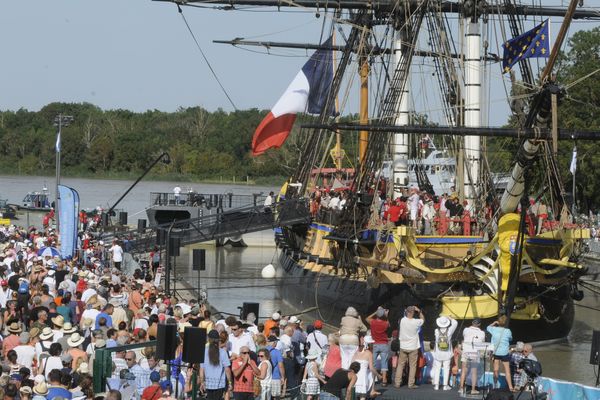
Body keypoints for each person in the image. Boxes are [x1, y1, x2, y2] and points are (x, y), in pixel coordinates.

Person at [393, 305, 424, 389]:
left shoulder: (402, 320)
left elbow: (405, 314)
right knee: (412, 366)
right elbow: (423, 319)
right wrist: (419, 311)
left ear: (406, 312)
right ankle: (411, 384)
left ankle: (397, 383)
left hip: (403, 346)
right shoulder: (416, 322)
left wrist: (409, 310)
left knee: (400, 365)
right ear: (413, 313)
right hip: (413, 347)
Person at [199, 330, 233, 400]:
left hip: (208, 384)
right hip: (220, 385)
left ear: (208, 339)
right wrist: (230, 382)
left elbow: (201, 369)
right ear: (218, 340)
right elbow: (227, 370)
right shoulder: (223, 352)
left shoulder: (203, 351)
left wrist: (202, 382)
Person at [458, 318, 485, 395]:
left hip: (466, 351)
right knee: (474, 372)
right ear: (479, 324)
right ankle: (473, 389)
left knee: (464, 370)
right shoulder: (482, 333)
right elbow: (482, 342)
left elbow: (464, 337)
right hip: (475, 353)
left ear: (472, 323)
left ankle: (461, 388)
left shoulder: (466, 329)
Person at [487, 315, 514, 391]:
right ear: (505, 323)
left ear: (498, 322)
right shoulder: (508, 331)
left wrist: (494, 323)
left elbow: (487, 327)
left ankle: (495, 385)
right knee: (507, 370)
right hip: (504, 353)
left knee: (495, 369)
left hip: (496, 352)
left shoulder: (493, 329)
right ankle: (510, 387)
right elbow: (511, 339)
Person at [431, 315, 458, 391]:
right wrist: (449, 318)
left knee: (437, 369)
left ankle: (436, 385)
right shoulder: (449, 330)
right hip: (447, 353)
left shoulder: (436, 331)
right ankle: (445, 386)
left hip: (438, 353)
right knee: (446, 369)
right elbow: (455, 323)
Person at [366, 306, 390, 385]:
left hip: (375, 344)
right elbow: (388, 325)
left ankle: (373, 379)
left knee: (374, 363)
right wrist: (385, 315)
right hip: (384, 344)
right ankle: (384, 380)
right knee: (384, 362)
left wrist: (376, 312)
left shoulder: (372, 322)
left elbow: (367, 318)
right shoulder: (385, 323)